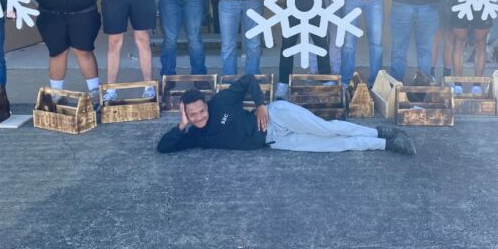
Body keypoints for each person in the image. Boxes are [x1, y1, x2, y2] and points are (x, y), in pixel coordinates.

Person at [157, 74, 415, 155]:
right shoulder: (195, 136)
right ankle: (386, 144)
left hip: (276, 116)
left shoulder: (221, 102)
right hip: (275, 141)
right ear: (187, 116)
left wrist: (259, 104)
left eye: (201, 110)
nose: (200, 117)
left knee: (327, 129)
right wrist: (180, 125)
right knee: (333, 146)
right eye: (193, 115)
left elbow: (247, 80)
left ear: (206, 103)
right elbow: (163, 148)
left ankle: (379, 131)